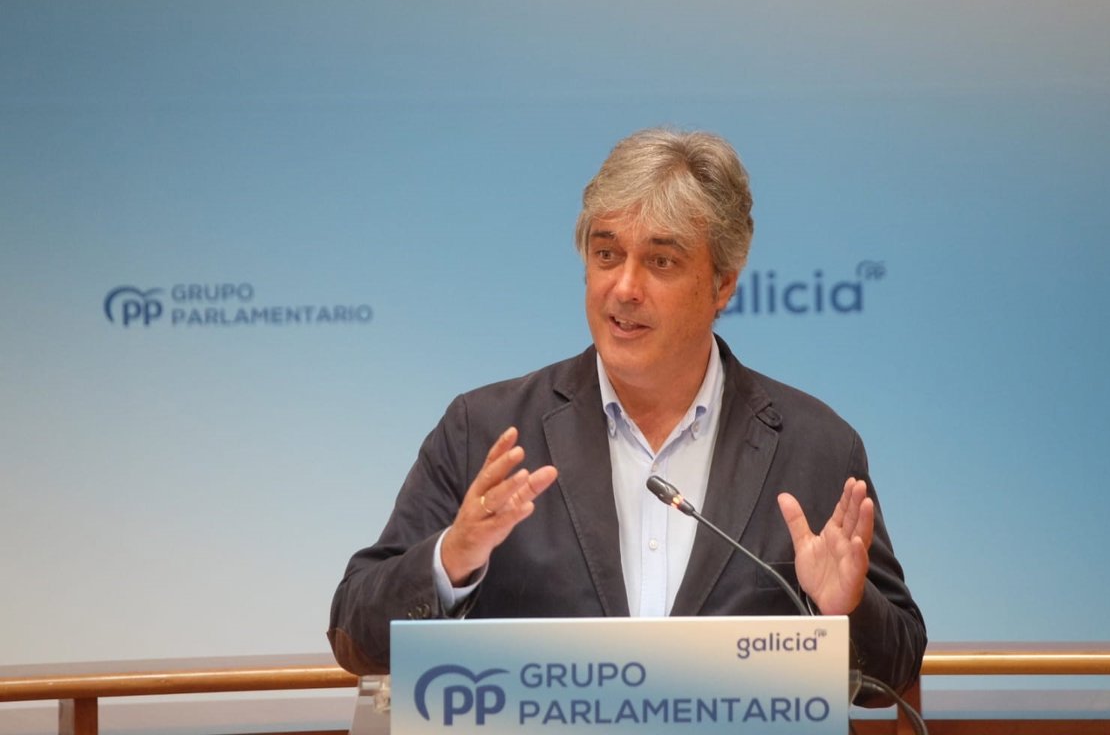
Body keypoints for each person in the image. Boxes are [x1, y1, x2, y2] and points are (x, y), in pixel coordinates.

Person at [328, 128, 926, 701]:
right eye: (607, 254)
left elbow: (897, 664)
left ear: (723, 285)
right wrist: (451, 561)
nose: (624, 288)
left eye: (661, 262)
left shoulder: (815, 446)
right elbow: (355, 635)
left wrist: (843, 610)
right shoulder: (484, 430)